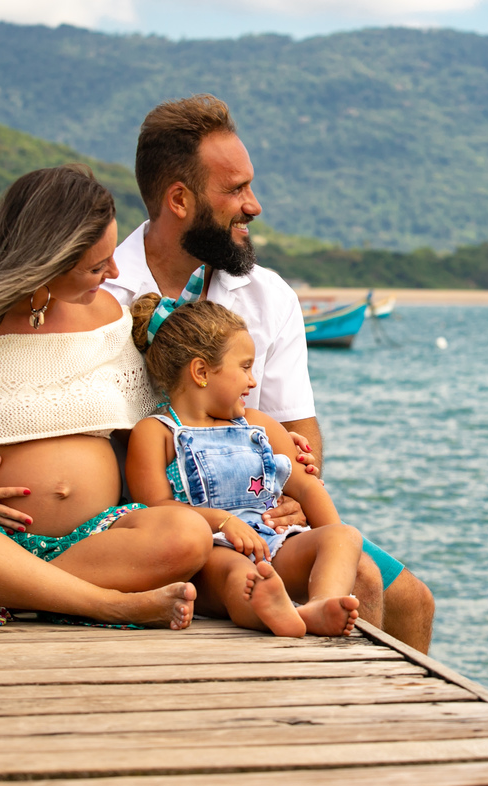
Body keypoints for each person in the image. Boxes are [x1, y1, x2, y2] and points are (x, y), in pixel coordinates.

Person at [104, 94, 435, 651]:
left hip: (260, 512)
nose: (253, 205)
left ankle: (382, 730)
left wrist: (294, 497)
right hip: (161, 520)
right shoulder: (102, 294)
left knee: (415, 600)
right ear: (179, 199)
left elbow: (297, 431)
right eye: (234, 190)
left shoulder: (268, 294)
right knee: (365, 578)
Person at [0, 164, 211, 630]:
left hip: (94, 539)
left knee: (187, 534)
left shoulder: (109, 319)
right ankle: (105, 605)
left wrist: (272, 454)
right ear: (47, 260)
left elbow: (160, 427)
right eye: (95, 265)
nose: (113, 273)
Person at [126, 295, 362, 637]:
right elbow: (154, 510)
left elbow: (308, 488)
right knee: (239, 573)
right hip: (208, 555)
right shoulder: (157, 432)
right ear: (202, 372)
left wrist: (330, 539)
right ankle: (266, 609)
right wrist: (223, 522)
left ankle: (320, 605)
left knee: (345, 536)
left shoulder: (258, 425)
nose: (252, 381)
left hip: (272, 543)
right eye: (245, 367)